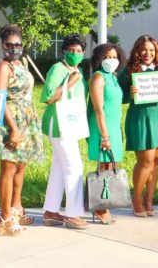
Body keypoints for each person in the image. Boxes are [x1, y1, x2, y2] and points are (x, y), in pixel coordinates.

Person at [0, 25, 44, 235]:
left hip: (26, 118)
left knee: (21, 167)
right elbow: (1, 96)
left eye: (18, 45)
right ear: (3, 45)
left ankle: (16, 208)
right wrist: (13, 128)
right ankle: (4, 217)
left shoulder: (20, 63)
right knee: (9, 168)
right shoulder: (4, 66)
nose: (14, 48)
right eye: (9, 45)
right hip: (10, 119)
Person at [119, 34, 158, 218]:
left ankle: (149, 199)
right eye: (144, 49)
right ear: (137, 50)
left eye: (151, 50)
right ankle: (136, 199)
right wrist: (129, 93)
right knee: (145, 162)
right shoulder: (128, 70)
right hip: (140, 119)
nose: (148, 53)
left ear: (156, 51)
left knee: (156, 162)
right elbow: (119, 97)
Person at [40, 33, 90, 229]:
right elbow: (49, 97)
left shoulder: (78, 70)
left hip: (71, 124)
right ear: (64, 51)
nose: (75, 54)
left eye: (79, 51)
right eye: (71, 51)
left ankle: (51, 211)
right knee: (74, 166)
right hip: (59, 124)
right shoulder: (57, 69)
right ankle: (73, 214)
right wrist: (69, 83)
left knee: (60, 169)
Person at [87, 42, 127, 225]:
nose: (111, 60)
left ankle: (105, 203)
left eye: (114, 57)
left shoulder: (113, 76)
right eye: (107, 57)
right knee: (104, 167)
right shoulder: (98, 77)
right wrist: (105, 135)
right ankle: (99, 207)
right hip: (103, 128)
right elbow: (98, 108)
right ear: (99, 59)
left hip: (114, 127)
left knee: (112, 166)